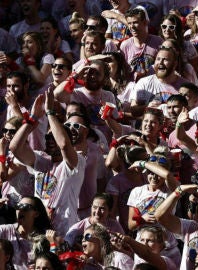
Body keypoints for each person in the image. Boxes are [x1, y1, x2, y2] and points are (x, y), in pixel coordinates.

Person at [9, 91, 87, 237]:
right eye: (47, 136)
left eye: (53, 136)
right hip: (37, 229)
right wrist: (32, 119)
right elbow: (15, 147)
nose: (50, 140)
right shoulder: (41, 160)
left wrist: (50, 112)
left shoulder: (76, 160)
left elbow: (63, 144)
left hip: (63, 231)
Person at [126, 147, 181, 265]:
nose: (154, 177)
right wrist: (142, 219)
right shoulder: (137, 191)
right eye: (151, 173)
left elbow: (167, 175)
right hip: (143, 245)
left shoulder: (170, 190)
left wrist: (142, 163)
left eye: (157, 174)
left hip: (167, 248)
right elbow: (130, 225)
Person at [130, 47, 189, 117]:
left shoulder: (185, 87)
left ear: (175, 64)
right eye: (158, 59)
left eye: (165, 60)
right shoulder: (144, 83)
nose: (160, 62)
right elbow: (133, 110)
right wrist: (147, 107)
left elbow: (191, 112)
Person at [105, 144, 148, 233]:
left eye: (146, 160)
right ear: (132, 162)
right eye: (142, 161)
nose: (146, 164)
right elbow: (111, 214)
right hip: (125, 230)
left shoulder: (148, 177)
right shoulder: (116, 182)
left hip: (146, 228)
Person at [0, 196, 51, 269]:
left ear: (36, 214)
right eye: (18, 206)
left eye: (25, 207)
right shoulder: (6, 230)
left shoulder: (45, 236)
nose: (20, 210)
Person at [120, 7, 163, 82]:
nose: (132, 26)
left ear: (145, 22)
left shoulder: (158, 42)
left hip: (154, 85)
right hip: (133, 87)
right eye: (129, 23)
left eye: (135, 22)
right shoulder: (125, 45)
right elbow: (122, 71)